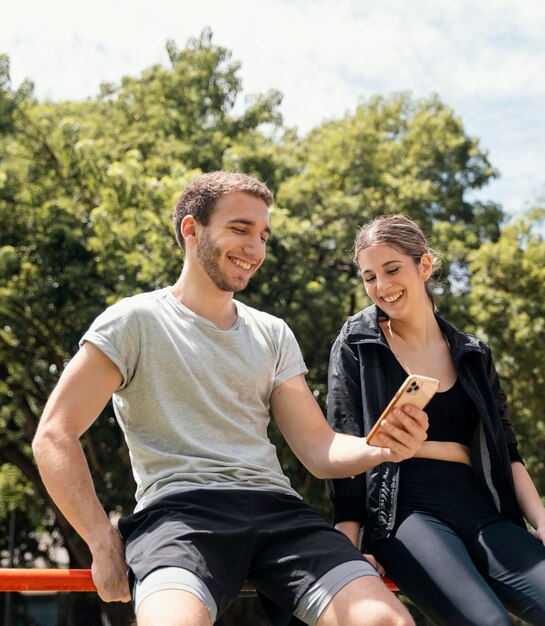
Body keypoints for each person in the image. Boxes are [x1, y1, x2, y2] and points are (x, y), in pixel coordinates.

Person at [32, 173, 428, 626]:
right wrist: (101, 541)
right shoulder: (133, 320)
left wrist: (381, 446)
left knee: (387, 622)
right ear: (191, 229)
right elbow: (54, 434)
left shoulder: (273, 332)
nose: (255, 249)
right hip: (180, 515)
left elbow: (319, 449)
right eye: (240, 230)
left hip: (278, 512)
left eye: (262, 236)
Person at [327, 215, 545, 626]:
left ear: (424, 266)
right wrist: (347, 550)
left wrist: (544, 522)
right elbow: (343, 447)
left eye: (392, 270)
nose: (381, 287)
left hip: (481, 506)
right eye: (369, 277)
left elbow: (507, 451)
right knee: (489, 623)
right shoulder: (357, 342)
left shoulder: (473, 353)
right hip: (404, 512)